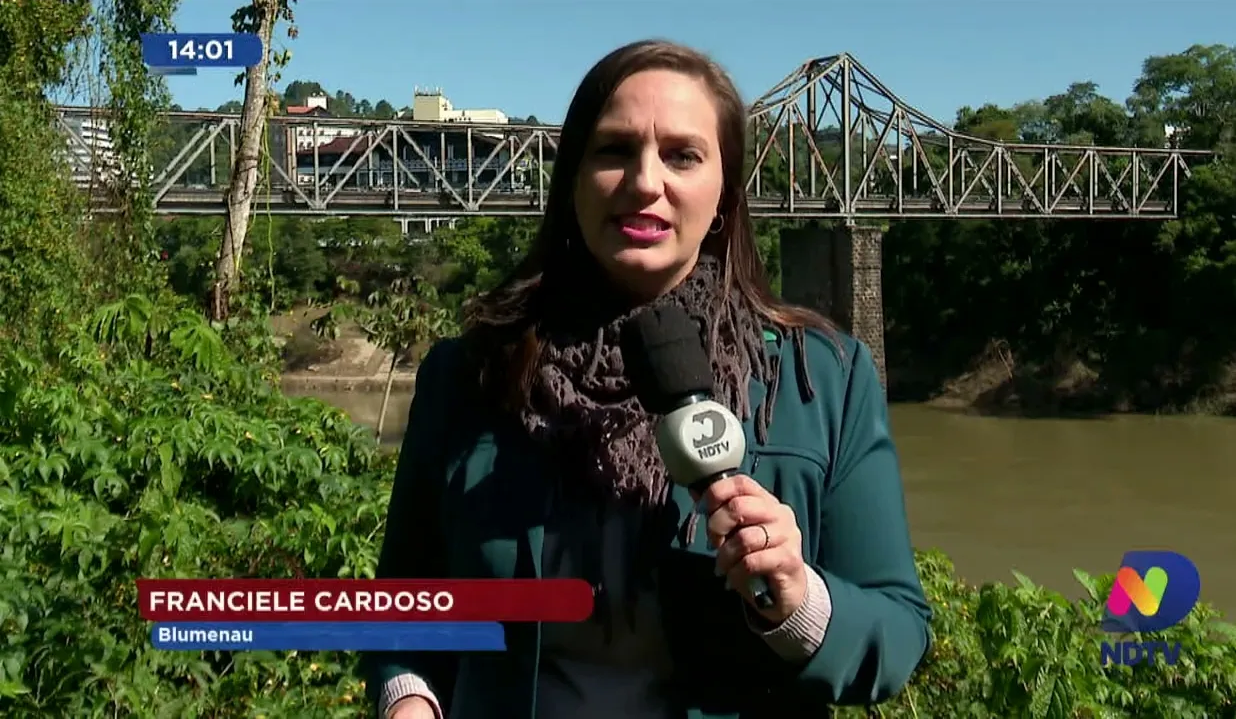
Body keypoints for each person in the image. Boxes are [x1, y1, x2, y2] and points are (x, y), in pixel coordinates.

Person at [360, 38, 932, 719]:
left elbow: (899, 634)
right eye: (613, 150)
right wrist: (408, 699)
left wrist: (800, 599)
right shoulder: (468, 375)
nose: (645, 181)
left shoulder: (824, 379)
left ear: (724, 193)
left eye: (683, 155)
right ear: (572, 181)